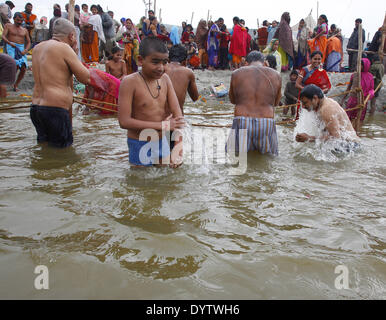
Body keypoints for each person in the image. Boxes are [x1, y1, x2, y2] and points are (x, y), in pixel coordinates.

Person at [118, 36, 185, 168]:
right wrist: (163, 126)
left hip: (162, 141)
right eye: (155, 62)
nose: (161, 67)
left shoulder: (165, 79)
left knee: (162, 183)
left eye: (165, 62)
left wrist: (178, 149)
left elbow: (178, 118)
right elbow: (124, 121)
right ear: (140, 60)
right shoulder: (129, 82)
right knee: (142, 184)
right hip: (139, 143)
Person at [31, 18, 90, 148]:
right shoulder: (64, 48)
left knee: (45, 148)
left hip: (35, 108)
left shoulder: (37, 48)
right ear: (71, 36)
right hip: (55, 109)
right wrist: (75, 53)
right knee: (62, 153)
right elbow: (86, 78)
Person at [227, 51, 281, 156]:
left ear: (246, 62)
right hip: (266, 122)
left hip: (242, 120)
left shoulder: (236, 73)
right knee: (267, 160)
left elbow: (233, 100)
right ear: (264, 62)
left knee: (237, 158)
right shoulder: (276, 75)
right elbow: (276, 103)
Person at [295, 50, 331, 119]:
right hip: (305, 99)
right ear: (311, 59)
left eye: (319, 59)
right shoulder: (304, 70)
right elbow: (297, 84)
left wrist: (319, 93)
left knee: (316, 119)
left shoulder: (322, 72)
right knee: (302, 118)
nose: (317, 61)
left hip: (316, 100)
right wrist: (308, 92)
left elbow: (328, 86)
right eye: (315, 59)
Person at [2, 12, 31, 91]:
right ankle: (5, 83)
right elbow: (3, 36)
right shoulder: (8, 26)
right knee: (14, 65)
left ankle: (16, 85)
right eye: (18, 20)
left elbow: (29, 42)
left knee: (24, 68)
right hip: (11, 47)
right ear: (14, 19)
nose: (19, 22)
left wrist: (26, 50)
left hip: (21, 48)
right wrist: (9, 43)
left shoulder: (24, 30)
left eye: (21, 20)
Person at [165, 44, 199, 112]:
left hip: (158, 119)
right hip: (177, 119)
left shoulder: (160, 70)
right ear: (185, 62)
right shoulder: (188, 72)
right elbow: (195, 98)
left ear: (168, 60)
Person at [341, 58, 374, 124]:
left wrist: (370, 94)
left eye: (360, 65)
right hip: (352, 101)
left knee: (360, 119)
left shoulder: (370, 76)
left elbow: (371, 89)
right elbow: (348, 88)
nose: (358, 67)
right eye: (357, 65)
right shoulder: (354, 75)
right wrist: (342, 100)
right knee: (348, 119)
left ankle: (358, 132)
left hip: (362, 102)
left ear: (365, 66)